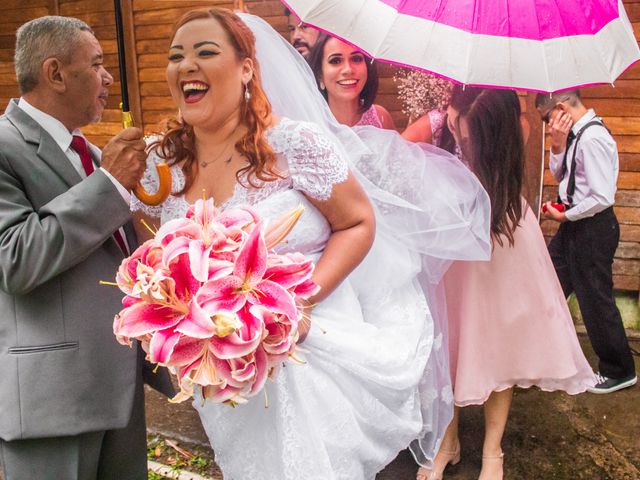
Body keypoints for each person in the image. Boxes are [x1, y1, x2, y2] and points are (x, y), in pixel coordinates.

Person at [132, 8, 491, 479]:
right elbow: (154, 253)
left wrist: (294, 303)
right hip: (226, 380)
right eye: (176, 56)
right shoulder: (162, 163)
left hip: (319, 361)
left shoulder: (295, 143)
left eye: (205, 52)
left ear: (245, 69)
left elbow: (359, 222)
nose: (186, 66)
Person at [0, 15, 172, 480]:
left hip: (117, 391)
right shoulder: (4, 146)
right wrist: (110, 184)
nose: (108, 77)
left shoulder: (91, 154)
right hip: (52, 405)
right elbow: (14, 259)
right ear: (55, 73)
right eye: (96, 64)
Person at [417, 87, 596, 480]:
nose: (462, 140)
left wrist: (559, 144)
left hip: (503, 234)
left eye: (469, 138)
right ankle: (448, 441)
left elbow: (507, 180)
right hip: (453, 238)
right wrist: (447, 127)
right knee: (450, 341)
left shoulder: (515, 128)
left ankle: (492, 450)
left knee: (501, 343)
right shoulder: (441, 121)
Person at [536, 90, 637, 394]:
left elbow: (601, 196)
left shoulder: (592, 139)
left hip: (592, 228)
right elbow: (561, 175)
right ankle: (542, 357)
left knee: (595, 299)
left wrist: (566, 217)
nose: (547, 124)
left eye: (546, 118)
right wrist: (556, 144)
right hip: (575, 226)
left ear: (561, 108)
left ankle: (619, 370)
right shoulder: (573, 136)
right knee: (547, 285)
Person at [307, 34, 395, 129]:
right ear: (320, 75)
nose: (348, 70)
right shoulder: (309, 125)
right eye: (336, 61)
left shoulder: (381, 118)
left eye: (356, 59)